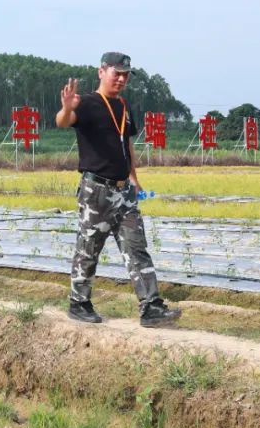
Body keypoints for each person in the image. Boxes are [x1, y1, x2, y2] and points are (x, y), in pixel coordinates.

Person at [55, 51, 181, 328]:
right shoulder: (86, 103)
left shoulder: (123, 106)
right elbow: (63, 121)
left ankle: (151, 307)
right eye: (117, 74)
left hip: (123, 191)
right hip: (96, 190)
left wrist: (134, 178)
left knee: (136, 247)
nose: (121, 79)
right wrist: (66, 107)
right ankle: (79, 302)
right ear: (102, 72)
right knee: (88, 248)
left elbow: (127, 146)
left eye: (125, 75)